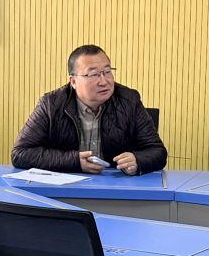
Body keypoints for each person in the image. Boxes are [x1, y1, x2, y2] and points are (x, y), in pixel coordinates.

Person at [13, 45, 166, 175]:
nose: (104, 81)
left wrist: (138, 161)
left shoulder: (129, 100)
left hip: (116, 187)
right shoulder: (51, 104)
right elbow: (20, 153)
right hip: (69, 188)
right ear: (73, 81)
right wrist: (73, 161)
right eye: (93, 74)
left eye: (107, 72)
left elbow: (157, 151)